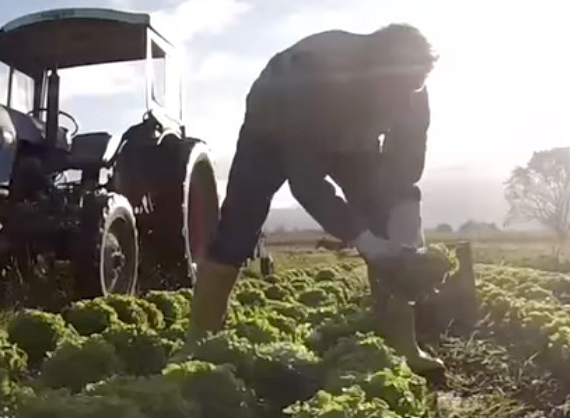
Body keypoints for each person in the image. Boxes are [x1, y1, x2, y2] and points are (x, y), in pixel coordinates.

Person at [183, 23, 444, 374]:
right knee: (236, 233)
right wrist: (365, 241)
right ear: (370, 71)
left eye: (411, 89)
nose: (401, 101)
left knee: (386, 227)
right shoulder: (316, 79)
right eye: (393, 90)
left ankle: (404, 348)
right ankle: (201, 345)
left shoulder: (413, 94)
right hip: (274, 129)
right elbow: (305, 181)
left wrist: (404, 233)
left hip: (352, 140)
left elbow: (404, 171)